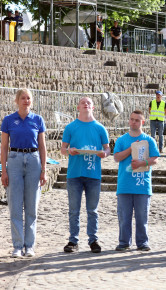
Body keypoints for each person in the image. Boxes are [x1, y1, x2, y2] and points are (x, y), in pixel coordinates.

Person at [61, 97, 111, 254]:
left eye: (88, 103)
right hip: (74, 174)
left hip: (93, 174)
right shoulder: (70, 127)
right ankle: (73, 240)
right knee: (74, 210)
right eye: (83, 102)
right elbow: (63, 149)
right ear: (78, 107)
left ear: (93, 107)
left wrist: (105, 154)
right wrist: (69, 151)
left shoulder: (100, 128)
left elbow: (107, 149)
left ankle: (93, 240)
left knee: (92, 210)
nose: (86, 104)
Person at [1, 89, 47, 258]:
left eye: (28, 98)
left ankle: (29, 245)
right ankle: (17, 245)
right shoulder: (8, 120)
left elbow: (42, 147)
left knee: (32, 206)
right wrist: (3, 170)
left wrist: (44, 170)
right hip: (14, 160)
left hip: (34, 160)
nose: (26, 101)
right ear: (16, 100)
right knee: (14, 205)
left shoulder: (38, 120)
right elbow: (4, 147)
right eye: (23, 98)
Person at [113, 110, 160, 251]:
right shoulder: (122, 140)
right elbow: (116, 157)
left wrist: (142, 163)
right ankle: (124, 242)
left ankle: (142, 242)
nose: (134, 122)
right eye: (132, 119)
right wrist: (131, 148)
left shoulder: (149, 140)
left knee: (142, 217)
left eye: (137, 120)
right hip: (124, 185)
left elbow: (155, 159)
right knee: (124, 217)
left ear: (142, 122)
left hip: (142, 185)